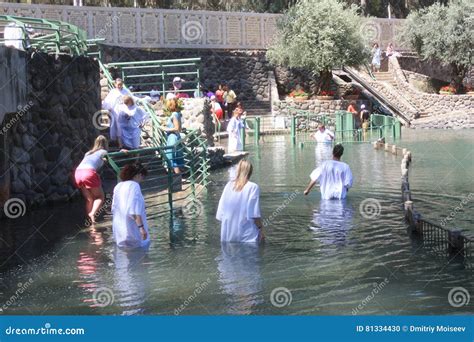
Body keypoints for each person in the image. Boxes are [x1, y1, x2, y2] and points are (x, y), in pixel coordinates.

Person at [216, 160, 264, 243]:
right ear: (250, 172)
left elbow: (220, 214)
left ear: (237, 171)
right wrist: (261, 229)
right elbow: (254, 214)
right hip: (247, 237)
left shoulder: (229, 186)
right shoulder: (253, 187)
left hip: (228, 236)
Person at [112, 162, 150, 249]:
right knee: (140, 255)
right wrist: (141, 228)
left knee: (123, 258)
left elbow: (114, 208)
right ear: (138, 175)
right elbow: (134, 209)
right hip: (132, 230)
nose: (142, 180)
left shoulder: (118, 186)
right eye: (143, 177)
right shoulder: (134, 186)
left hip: (119, 230)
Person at [74, 135, 108, 223]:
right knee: (100, 197)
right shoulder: (104, 152)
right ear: (105, 144)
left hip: (78, 173)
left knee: (90, 199)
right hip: (88, 173)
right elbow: (110, 159)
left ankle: (91, 220)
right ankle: (92, 213)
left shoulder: (88, 153)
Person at [102, 78, 133, 145]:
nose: (119, 86)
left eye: (121, 84)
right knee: (117, 126)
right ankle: (119, 143)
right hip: (115, 110)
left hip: (124, 111)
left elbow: (131, 99)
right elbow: (108, 101)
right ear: (115, 84)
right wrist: (108, 107)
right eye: (118, 84)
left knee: (123, 126)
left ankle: (124, 142)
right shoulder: (113, 92)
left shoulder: (126, 91)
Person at [162, 98, 184, 174]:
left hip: (172, 137)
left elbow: (177, 128)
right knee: (175, 158)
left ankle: (177, 178)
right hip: (176, 137)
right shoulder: (178, 114)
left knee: (172, 158)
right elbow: (179, 128)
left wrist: (165, 129)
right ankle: (177, 177)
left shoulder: (174, 114)